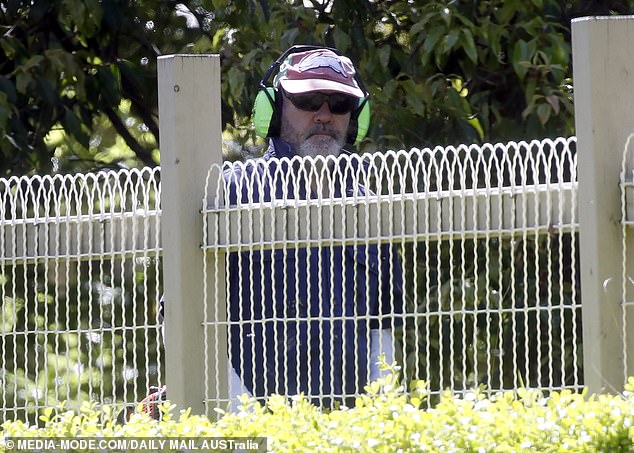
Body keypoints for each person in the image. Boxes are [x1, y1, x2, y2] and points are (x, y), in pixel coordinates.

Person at [144, 46, 403, 416]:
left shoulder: (369, 209)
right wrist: (245, 416)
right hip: (246, 425)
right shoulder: (231, 192)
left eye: (340, 104)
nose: (324, 115)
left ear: (355, 117)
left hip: (342, 432)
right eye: (309, 99)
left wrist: (380, 412)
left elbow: (383, 330)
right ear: (276, 107)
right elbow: (181, 321)